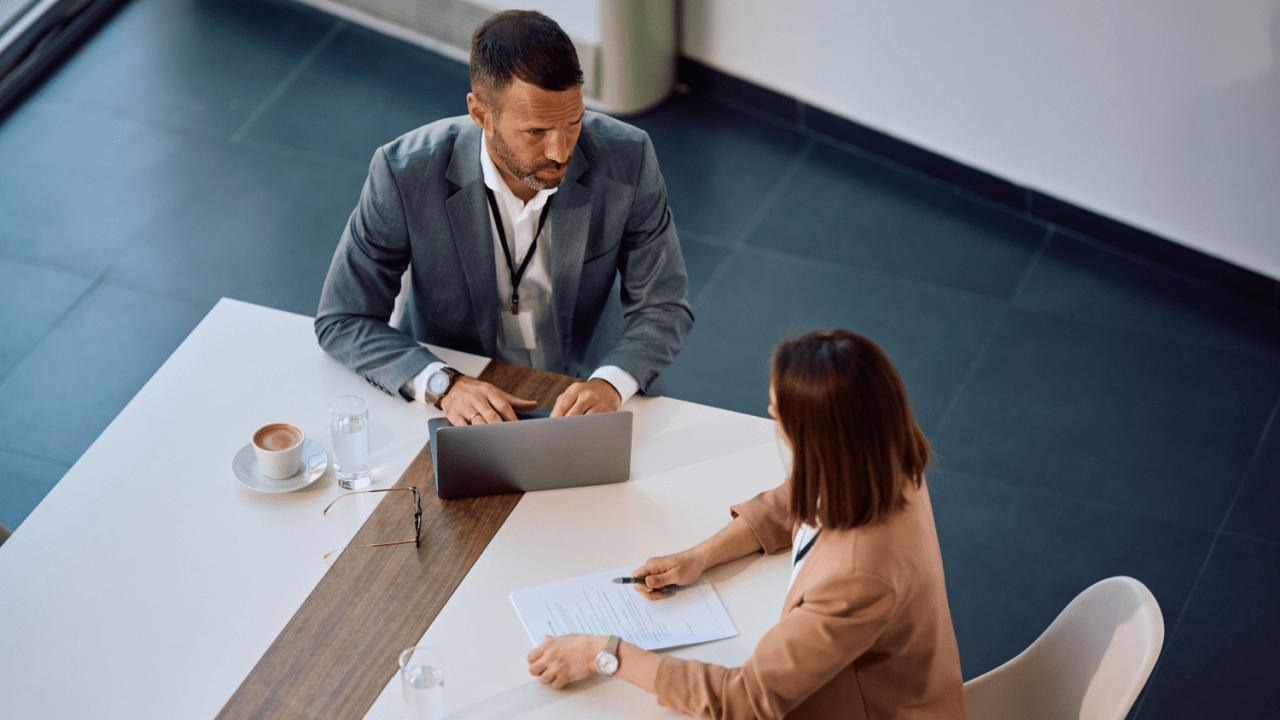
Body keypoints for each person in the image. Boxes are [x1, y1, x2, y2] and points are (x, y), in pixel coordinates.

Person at [526, 329, 966, 720]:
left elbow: (745, 701)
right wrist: (700, 556)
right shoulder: (885, 461)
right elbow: (796, 499)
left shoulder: (856, 579)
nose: (771, 419)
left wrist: (606, 653)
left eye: (777, 416)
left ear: (817, 440)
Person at [315, 10, 693, 427]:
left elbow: (664, 306)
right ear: (480, 114)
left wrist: (610, 383)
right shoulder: (403, 173)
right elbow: (343, 318)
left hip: (584, 378)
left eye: (573, 123)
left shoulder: (629, 156)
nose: (561, 151)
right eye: (536, 132)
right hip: (460, 381)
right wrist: (444, 384)